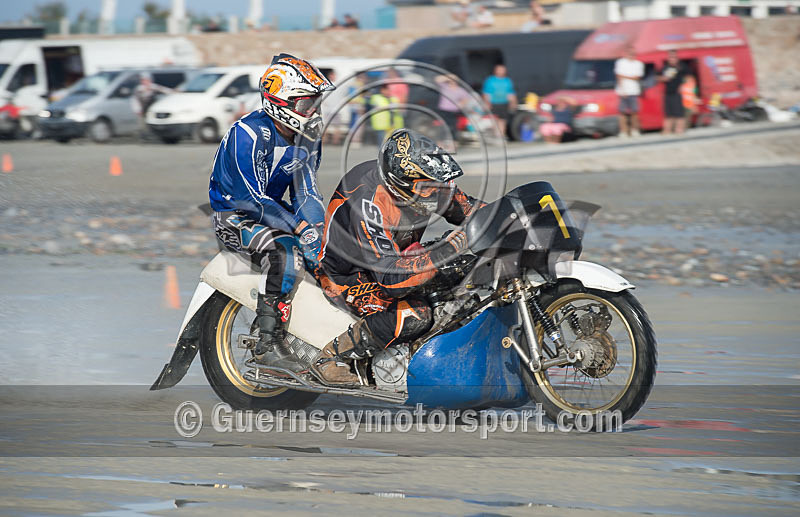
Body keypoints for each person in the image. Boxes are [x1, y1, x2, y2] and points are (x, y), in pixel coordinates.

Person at [313, 129, 482, 385]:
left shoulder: (428, 184)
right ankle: (331, 357)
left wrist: (517, 217)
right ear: (400, 181)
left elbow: (476, 213)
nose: (435, 193)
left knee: (468, 274)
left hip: (393, 260)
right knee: (415, 314)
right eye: (427, 187)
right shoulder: (370, 202)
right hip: (347, 277)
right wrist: (445, 251)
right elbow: (391, 280)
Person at [208, 53, 335, 371]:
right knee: (286, 253)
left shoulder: (308, 138)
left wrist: (317, 228)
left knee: (334, 248)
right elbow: (251, 199)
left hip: (275, 211)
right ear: (281, 101)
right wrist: (298, 227)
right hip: (236, 217)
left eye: (316, 103)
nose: (315, 111)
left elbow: (306, 191)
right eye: (308, 104)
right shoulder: (247, 135)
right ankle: (267, 345)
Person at [614, 45, 644, 138]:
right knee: (622, 112)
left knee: (634, 112)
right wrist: (622, 90)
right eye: (629, 53)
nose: (631, 55)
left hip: (633, 91)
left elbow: (637, 77)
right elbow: (618, 76)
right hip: (623, 91)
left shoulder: (638, 64)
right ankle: (624, 131)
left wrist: (624, 76)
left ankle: (634, 130)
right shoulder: (620, 62)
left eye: (633, 53)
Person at [482, 64, 517, 139]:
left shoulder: (507, 81)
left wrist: (513, 103)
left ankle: (501, 136)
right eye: (500, 69)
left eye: (503, 69)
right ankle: (495, 135)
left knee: (503, 120)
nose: (501, 71)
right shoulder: (490, 80)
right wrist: (487, 103)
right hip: (493, 103)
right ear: (496, 70)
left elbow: (510, 93)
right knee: (494, 120)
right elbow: (486, 93)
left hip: (504, 103)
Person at [658, 50, 687, 135]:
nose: (672, 59)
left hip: (677, 93)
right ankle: (667, 130)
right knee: (668, 113)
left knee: (679, 112)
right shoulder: (665, 68)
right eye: (670, 57)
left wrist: (683, 86)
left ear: (677, 58)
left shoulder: (681, 67)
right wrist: (662, 78)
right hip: (668, 93)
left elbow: (689, 77)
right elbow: (657, 77)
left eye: (674, 57)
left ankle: (679, 129)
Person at [436, 74, 471, 141]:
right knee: (441, 127)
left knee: (453, 127)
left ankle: (453, 143)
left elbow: (467, 98)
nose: (453, 82)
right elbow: (437, 79)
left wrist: (460, 105)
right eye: (452, 80)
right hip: (443, 110)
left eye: (454, 80)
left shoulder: (460, 90)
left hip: (454, 111)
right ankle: (441, 143)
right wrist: (448, 77)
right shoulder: (445, 87)